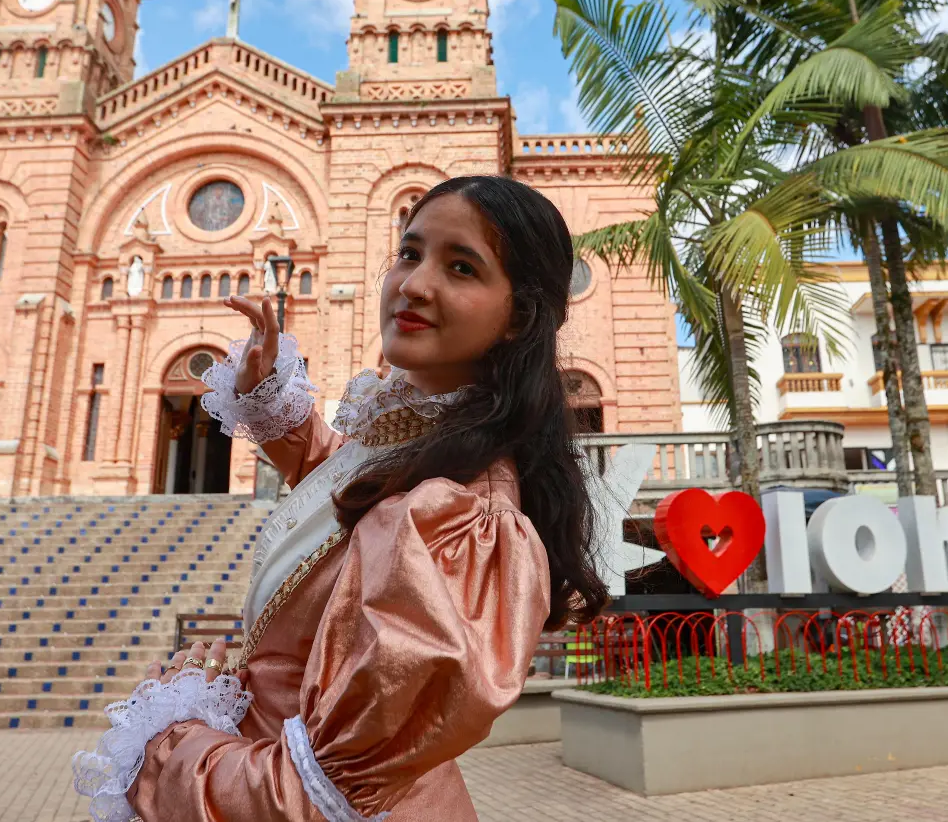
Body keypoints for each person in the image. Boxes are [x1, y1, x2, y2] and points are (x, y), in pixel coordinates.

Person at [73, 174, 608, 822]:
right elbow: (346, 485)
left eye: (461, 266)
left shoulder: (461, 525)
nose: (414, 284)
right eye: (409, 252)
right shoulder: (421, 442)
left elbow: (320, 796)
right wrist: (270, 398)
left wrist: (172, 741)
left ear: (518, 315)